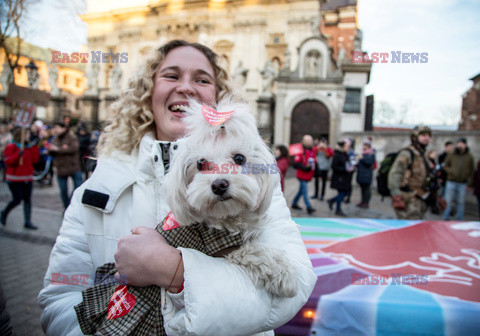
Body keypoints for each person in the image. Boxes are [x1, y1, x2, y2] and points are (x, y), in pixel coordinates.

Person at [38, 40, 316, 336]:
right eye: (171, 76)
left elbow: (292, 287)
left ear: (218, 95)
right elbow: (62, 298)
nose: (185, 87)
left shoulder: (258, 183)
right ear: (148, 92)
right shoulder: (95, 190)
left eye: (202, 79)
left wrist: (174, 272)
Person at [388, 125, 445, 220]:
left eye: (428, 135)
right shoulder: (407, 153)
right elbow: (395, 173)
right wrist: (396, 195)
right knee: (408, 230)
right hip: (409, 199)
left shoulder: (423, 156)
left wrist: (437, 196)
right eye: (423, 135)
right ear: (415, 137)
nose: (427, 138)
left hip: (420, 199)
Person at [1, 128, 40, 229]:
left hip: (27, 178)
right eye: (27, 134)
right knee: (17, 199)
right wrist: (18, 155)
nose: (28, 136)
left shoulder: (28, 147)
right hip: (14, 178)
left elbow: (35, 160)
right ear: (20, 135)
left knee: (27, 200)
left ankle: (27, 221)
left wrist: (35, 147)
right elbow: (8, 161)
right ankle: (4, 213)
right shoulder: (11, 146)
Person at [48, 122, 83, 209]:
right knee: (63, 191)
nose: (55, 130)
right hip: (61, 168)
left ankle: (73, 206)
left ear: (63, 128)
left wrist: (58, 149)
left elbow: (74, 148)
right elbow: (52, 152)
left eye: (57, 128)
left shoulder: (71, 137)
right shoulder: (55, 139)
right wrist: (50, 150)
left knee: (78, 188)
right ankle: (67, 208)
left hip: (73, 167)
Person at [442, 138, 475, 220]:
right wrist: (451, 171)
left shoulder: (469, 156)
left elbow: (472, 170)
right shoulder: (452, 154)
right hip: (451, 181)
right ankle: (446, 217)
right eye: (458, 143)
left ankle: (460, 219)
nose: (459, 145)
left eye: (461, 143)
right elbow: (445, 165)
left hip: (462, 183)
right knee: (448, 201)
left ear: (465, 144)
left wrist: (470, 183)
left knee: (461, 202)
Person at [291, 134, 316, 214]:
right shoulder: (300, 150)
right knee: (305, 191)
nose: (311, 142)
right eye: (309, 141)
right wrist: (306, 167)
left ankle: (294, 203)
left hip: (308, 175)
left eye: (311, 141)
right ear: (304, 141)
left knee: (301, 191)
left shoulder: (312, 150)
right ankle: (309, 207)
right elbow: (296, 163)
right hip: (302, 175)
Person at [328, 138, 353, 216]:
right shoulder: (338, 155)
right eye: (347, 147)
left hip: (344, 178)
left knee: (344, 192)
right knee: (342, 193)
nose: (348, 148)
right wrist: (344, 169)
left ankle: (332, 201)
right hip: (339, 178)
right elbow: (334, 166)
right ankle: (338, 209)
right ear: (343, 147)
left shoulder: (345, 154)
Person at [355, 139, 376, 209]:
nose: (364, 147)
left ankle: (366, 202)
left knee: (367, 189)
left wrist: (362, 159)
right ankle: (362, 201)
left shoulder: (371, 154)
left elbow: (369, 163)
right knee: (362, 189)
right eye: (364, 145)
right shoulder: (363, 153)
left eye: (366, 145)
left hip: (367, 175)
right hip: (361, 174)